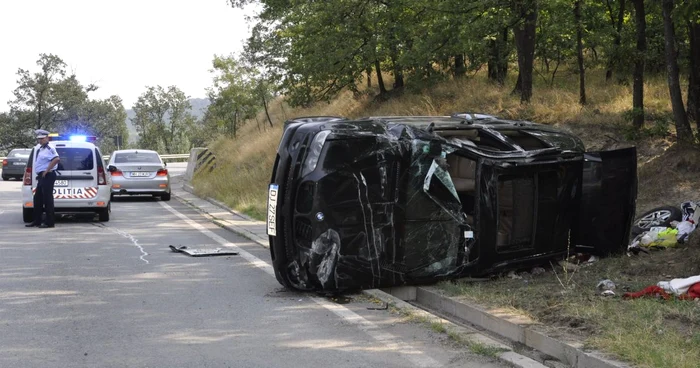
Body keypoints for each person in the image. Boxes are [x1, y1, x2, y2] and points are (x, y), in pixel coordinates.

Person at [26, 129, 60, 228]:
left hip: (48, 175)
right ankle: (37, 221)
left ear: (47, 138)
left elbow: (57, 159)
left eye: (42, 139)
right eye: (39, 139)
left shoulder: (50, 148)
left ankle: (50, 222)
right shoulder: (41, 149)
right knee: (38, 199)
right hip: (42, 176)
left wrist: (47, 170)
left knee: (47, 199)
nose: (40, 141)